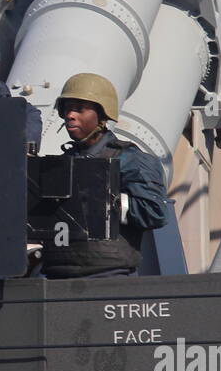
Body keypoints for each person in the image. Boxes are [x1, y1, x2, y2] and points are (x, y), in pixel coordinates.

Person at [40, 73, 169, 278]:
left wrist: (104, 199)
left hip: (108, 276)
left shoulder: (130, 159)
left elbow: (154, 212)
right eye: (67, 109)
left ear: (102, 115)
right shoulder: (58, 165)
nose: (70, 115)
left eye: (80, 109)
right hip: (55, 275)